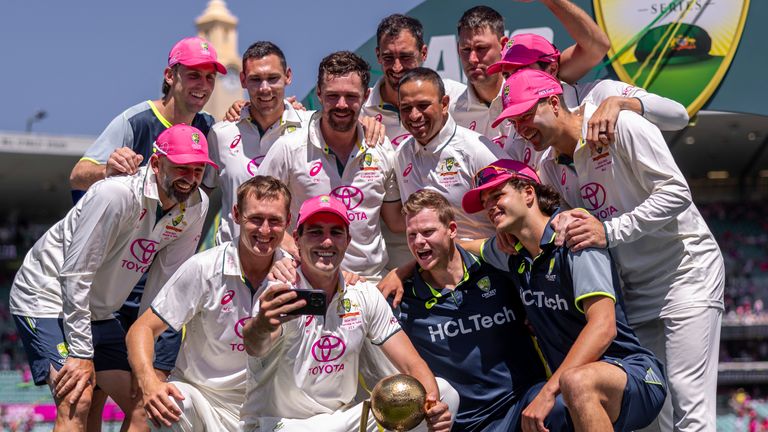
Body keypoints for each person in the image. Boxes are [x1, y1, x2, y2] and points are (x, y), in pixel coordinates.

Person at [494, 70, 724, 431]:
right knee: (655, 417)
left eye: (526, 115)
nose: (521, 128)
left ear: (554, 102)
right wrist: (509, 236)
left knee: (689, 407)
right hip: (632, 292)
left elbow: (677, 193)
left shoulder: (621, 124)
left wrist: (611, 230)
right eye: (514, 121)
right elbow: (560, 230)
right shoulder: (548, 168)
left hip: (686, 275)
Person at [9, 124, 216, 431]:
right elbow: (76, 273)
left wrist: (150, 362)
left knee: (145, 404)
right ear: (157, 164)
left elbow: (165, 289)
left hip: (100, 310)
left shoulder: (197, 206)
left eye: (198, 170)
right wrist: (80, 353)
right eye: (181, 168)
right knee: (76, 397)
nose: (191, 178)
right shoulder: (115, 193)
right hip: (46, 296)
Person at [462, 159, 667, 432]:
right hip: (574, 387)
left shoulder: (576, 239)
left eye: (498, 195)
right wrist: (404, 269)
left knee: (573, 384)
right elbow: (456, 246)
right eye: (485, 201)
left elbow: (604, 328)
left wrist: (548, 393)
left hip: (633, 373)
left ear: (528, 193)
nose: (490, 206)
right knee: (544, 404)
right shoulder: (511, 254)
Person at [239, 194, 458, 432]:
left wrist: (433, 408)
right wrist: (262, 323)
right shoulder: (280, 290)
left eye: (335, 232)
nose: (326, 242)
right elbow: (255, 346)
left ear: (347, 240)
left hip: (341, 421)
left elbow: (411, 363)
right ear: (297, 240)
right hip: (280, 425)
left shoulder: (362, 293)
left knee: (443, 392)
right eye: (315, 232)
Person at [126, 176, 291, 431]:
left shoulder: (296, 275)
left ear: (288, 222)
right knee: (169, 404)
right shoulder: (203, 267)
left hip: (266, 406)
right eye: (255, 219)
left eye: (275, 221)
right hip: (202, 399)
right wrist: (150, 383)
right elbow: (141, 329)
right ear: (236, 215)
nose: (265, 230)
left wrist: (349, 276)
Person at [397, 189, 571, 431]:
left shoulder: (499, 269)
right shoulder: (401, 300)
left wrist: (574, 216)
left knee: (566, 403)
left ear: (452, 230)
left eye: (427, 232)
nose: (418, 242)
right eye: (411, 235)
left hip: (524, 404)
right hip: (462, 423)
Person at [257, 51, 404, 280]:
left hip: (371, 283)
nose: (342, 105)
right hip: (307, 280)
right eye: (333, 96)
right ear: (319, 94)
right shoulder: (289, 147)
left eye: (351, 96)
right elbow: (255, 209)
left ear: (366, 96)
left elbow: (395, 220)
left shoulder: (381, 148)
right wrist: (295, 250)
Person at [489, 31, 689, 172]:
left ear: (551, 68)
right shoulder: (518, 130)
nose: (513, 79)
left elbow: (679, 116)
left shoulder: (601, 92)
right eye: (508, 75)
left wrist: (621, 103)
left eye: (520, 70)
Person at [70, 36, 224, 194]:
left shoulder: (208, 126)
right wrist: (107, 172)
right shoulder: (136, 121)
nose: (204, 85)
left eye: (210, 77)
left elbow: (204, 191)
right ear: (170, 75)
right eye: (194, 75)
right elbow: (77, 176)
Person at [453, 2, 610, 148]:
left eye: (481, 48)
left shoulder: (543, 79)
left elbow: (597, 46)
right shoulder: (449, 107)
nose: (472, 59)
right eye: (465, 50)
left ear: (503, 45)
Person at [204, 41, 313, 245]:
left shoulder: (312, 129)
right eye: (256, 80)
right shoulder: (220, 134)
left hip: (291, 264)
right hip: (231, 262)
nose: (264, 89)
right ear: (243, 80)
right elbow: (202, 203)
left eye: (273, 78)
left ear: (288, 76)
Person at [396, 67, 502, 241]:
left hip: (485, 263)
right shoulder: (402, 154)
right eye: (406, 108)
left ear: (444, 104)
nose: (414, 116)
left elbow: (517, 212)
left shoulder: (476, 149)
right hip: (431, 264)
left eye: (423, 106)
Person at [363, 14, 467, 147]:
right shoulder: (362, 111)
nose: (397, 67)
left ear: (423, 53)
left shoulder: (456, 96)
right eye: (388, 57)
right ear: (378, 55)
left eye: (406, 57)